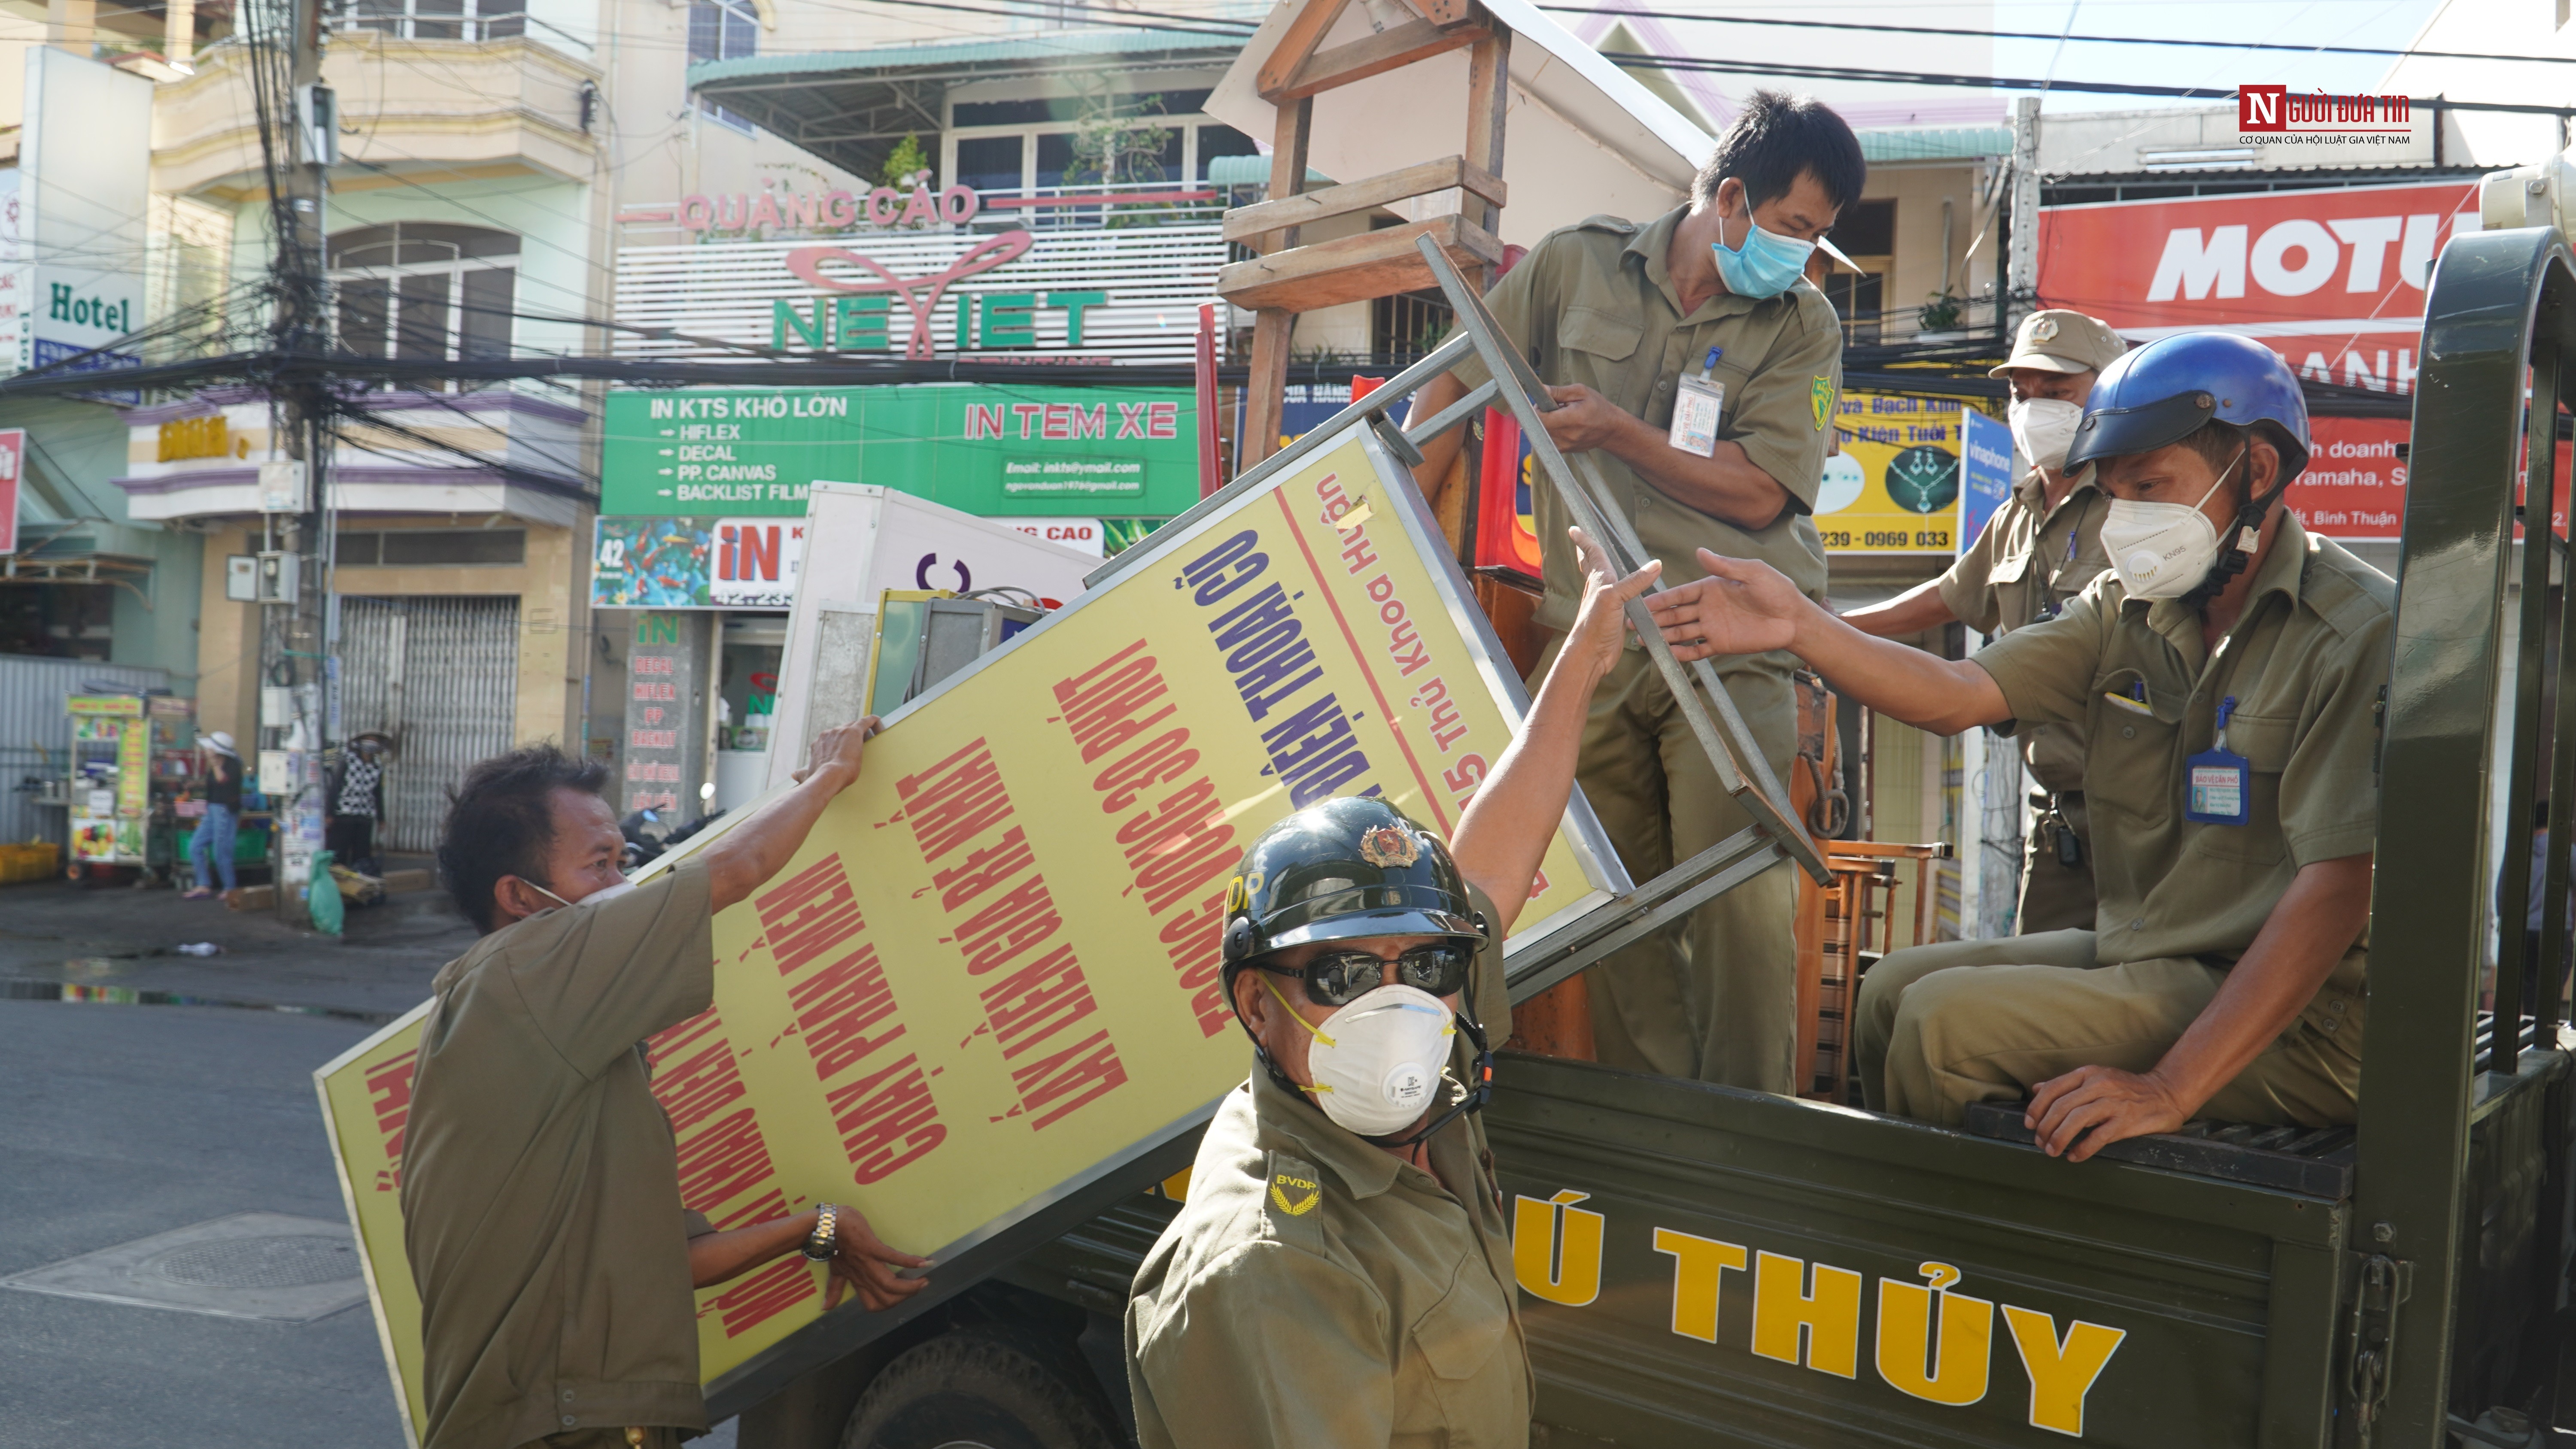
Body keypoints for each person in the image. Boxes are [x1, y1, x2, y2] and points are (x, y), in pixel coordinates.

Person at [1640, 333, 2388, 1161]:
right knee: (1889, 988)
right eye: (2115, 494)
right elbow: (1957, 695)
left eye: (2151, 488)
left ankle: (1964, 1267)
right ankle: (1919, 1243)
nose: (2129, 520)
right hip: (2161, 949)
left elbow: (2336, 894)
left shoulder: (2353, 632)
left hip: (2312, 1018)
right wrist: (1801, 628)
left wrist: (2170, 1088)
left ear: (2256, 470)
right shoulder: (2128, 607)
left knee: (1941, 1026)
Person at [1127, 528, 1660, 1448]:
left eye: (1424, 966)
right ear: (1258, 1003)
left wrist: (1584, 659)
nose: (1398, 1004)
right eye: (1341, 973)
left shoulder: (1431, 1056)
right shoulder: (1275, 1270)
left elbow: (1489, 872)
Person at [1400, 88, 1867, 1092]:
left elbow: (1759, 491)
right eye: (1793, 226)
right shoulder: (1573, 262)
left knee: (1739, 897)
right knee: (1613, 910)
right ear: (1732, 197)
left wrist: (1619, 431)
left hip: (1726, 638)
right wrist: (1389, 523)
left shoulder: (1805, 325)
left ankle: (1750, 1144)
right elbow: (1455, 385)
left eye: (1818, 235)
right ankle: (1655, 1142)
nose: (1803, 251)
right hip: (1594, 642)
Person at [401, 725, 930, 1449]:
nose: (626, 886)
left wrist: (817, 1227)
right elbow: (735, 868)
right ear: (520, 897)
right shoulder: (525, 970)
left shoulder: (559, 1040)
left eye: (626, 861)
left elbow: (671, 1261)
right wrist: (829, 775)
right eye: (601, 866)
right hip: (561, 1429)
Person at [1843, 309, 2129, 932]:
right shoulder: (2019, 511)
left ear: (2107, 392)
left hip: (2141, 810)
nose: (2035, 410)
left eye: (2058, 393)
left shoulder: (2139, 499)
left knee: (2141, 995)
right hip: (2056, 814)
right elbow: (1948, 597)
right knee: (2043, 997)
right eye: (2021, 395)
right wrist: (1830, 628)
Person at [183, 731, 242, 901]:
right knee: (195, 846)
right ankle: (203, 884)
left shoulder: (233, 766)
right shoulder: (217, 766)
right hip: (212, 809)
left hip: (225, 810)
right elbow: (214, 782)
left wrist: (215, 764)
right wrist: (196, 784)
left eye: (211, 749)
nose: (208, 751)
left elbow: (224, 781)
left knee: (221, 850)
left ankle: (230, 887)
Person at [329, 732, 391, 877]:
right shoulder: (348, 761)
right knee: (339, 854)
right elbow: (335, 788)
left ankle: (360, 887)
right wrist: (330, 813)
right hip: (344, 815)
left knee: (362, 856)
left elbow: (378, 794)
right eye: (368, 740)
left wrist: (381, 819)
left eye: (375, 741)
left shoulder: (377, 767)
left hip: (365, 817)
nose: (371, 743)